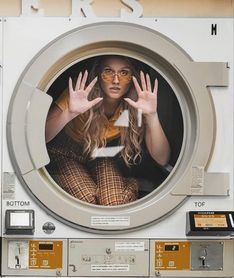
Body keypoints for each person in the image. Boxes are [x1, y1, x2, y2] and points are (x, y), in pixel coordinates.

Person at [45, 55, 170, 206]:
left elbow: (162, 159)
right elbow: (41, 137)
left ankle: (129, 183)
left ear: (131, 78)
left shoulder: (136, 103)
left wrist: (152, 115)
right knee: (87, 199)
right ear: (98, 74)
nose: (116, 80)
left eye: (124, 73)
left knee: (114, 202)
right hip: (65, 153)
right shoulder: (80, 95)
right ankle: (122, 184)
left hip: (101, 154)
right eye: (108, 71)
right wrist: (69, 113)